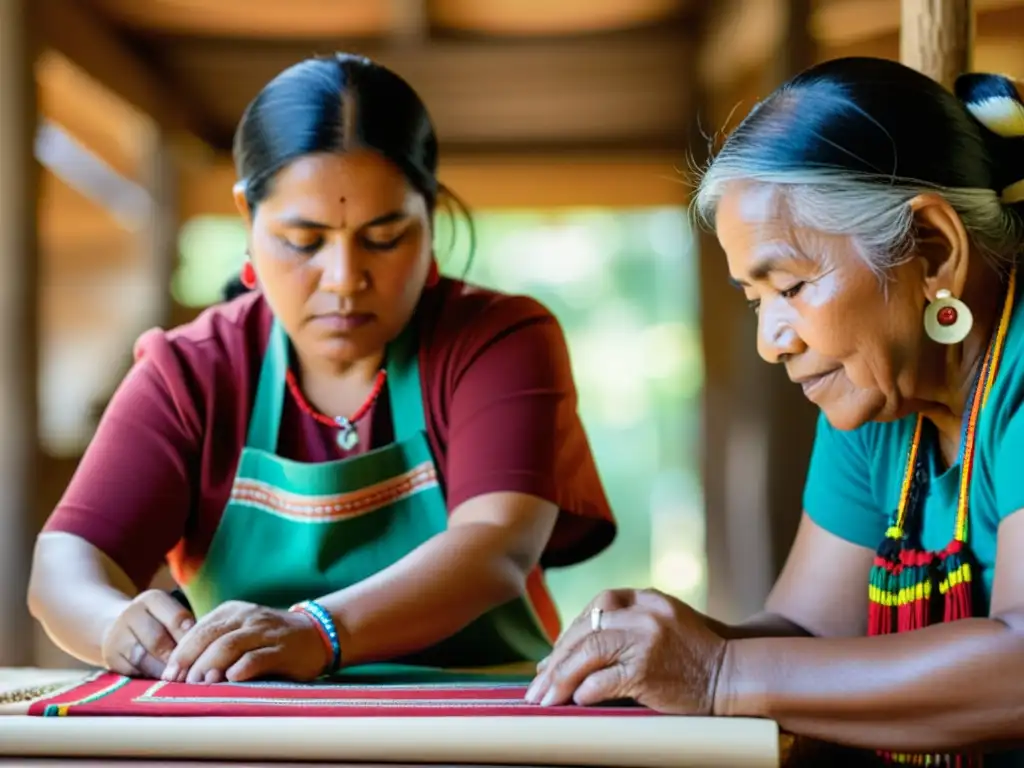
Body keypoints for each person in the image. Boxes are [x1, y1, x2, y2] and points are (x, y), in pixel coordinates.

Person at [28, 53, 615, 687]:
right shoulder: (191, 373)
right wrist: (116, 624)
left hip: (481, 728)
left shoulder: (497, 342)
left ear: (432, 218)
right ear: (247, 219)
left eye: (385, 237)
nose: (344, 279)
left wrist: (317, 631)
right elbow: (66, 561)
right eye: (304, 241)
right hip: (249, 736)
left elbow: (496, 546)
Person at [527, 57, 1024, 766]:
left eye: (789, 285)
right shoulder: (883, 398)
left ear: (933, 250)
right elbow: (811, 635)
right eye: (755, 300)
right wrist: (661, 651)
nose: (771, 342)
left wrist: (720, 673)